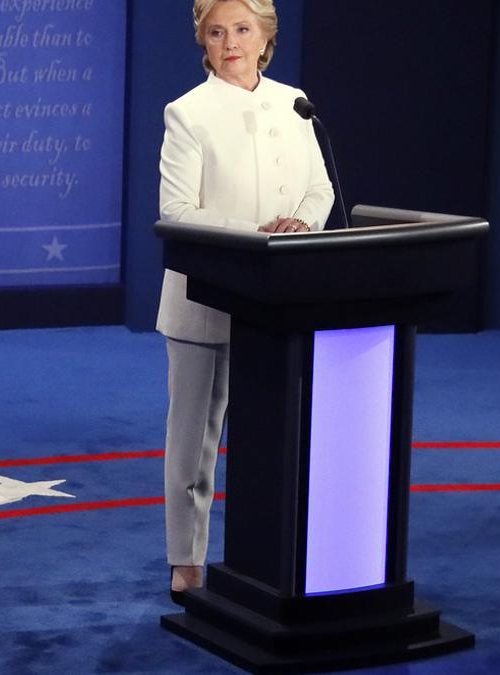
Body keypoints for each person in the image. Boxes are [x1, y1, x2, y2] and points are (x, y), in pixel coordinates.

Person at [157, 0, 333, 596]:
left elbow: (319, 186)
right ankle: (187, 562)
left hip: (280, 301)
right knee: (195, 443)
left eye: (242, 29)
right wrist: (259, 235)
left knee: (272, 442)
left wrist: (302, 225)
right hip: (205, 298)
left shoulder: (294, 100)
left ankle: (270, 560)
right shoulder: (187, 113)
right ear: (202, 41)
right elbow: (176, 212)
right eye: (216, 31)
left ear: (265, 38)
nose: (229, 41)